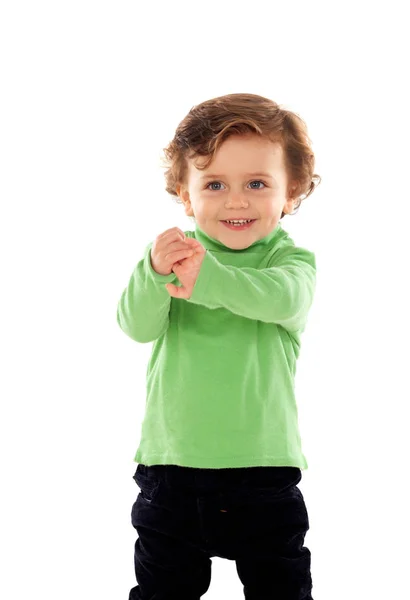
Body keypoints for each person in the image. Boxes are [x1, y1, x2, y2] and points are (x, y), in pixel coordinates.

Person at [117, 92, 321, 599]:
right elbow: (136, 325)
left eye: (257, 183)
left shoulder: (291, 263)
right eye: (214, 184)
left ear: (290, 191)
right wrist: (152, 272)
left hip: (262, 472)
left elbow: (278, 299)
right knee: (162, 590)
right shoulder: (172, 257)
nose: (236, 200)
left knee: (282, 589)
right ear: (184, 196)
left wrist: (207, 279)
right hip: (171, 469)